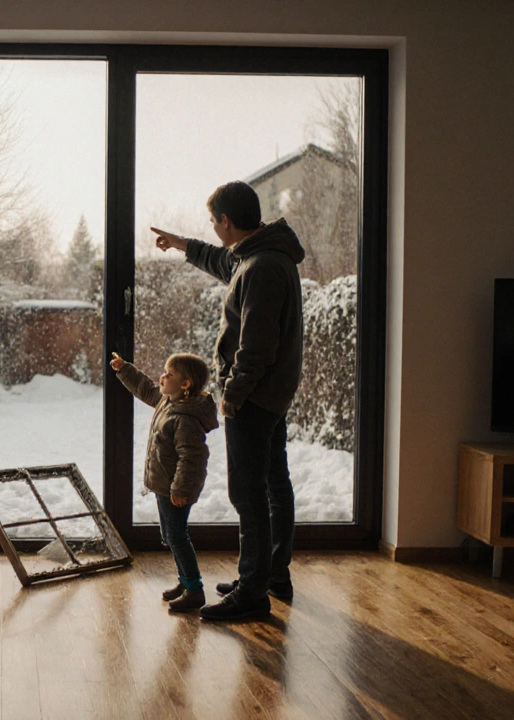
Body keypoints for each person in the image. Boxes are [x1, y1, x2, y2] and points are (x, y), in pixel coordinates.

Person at [151, 180, 305, 622]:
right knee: (274, 484)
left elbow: (255, 348)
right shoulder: (263, 257)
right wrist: (183, 244)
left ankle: (252, 593)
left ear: (226, 221)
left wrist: (231, 397)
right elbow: (223, 262)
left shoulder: (260, 268)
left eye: (213, 222)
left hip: (254, 400)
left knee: (249, 494)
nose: (213, 230)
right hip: (271, 396)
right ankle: (270, 574)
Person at [110, 350, 219, 612]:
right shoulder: (169, 402)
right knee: (170, 536)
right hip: (165, 486)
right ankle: (185, 581)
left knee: (177, 537)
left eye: (169, 374)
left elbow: (191, 458)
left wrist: (180, 489)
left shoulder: (185, 417)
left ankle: (195, 590)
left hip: (175, 489)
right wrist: (125, 369)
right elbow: (146, 388)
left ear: (185, 384)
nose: (162, 376)